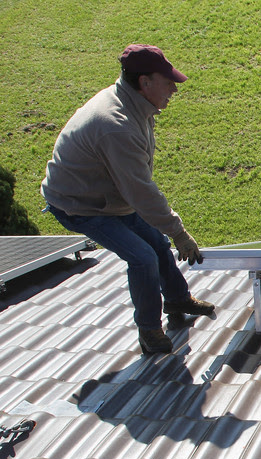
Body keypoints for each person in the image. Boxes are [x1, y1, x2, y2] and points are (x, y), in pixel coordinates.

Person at [40, 44, 214, 354]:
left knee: (157, 244)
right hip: (81, 205)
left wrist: (168, 233)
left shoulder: (135, 104)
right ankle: (149, 330)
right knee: (143, 256)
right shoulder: (116, 124)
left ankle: (176, 299)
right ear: (145, 82)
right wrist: (179, 232)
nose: (174, 88)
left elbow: (134, 188)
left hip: (110, 196)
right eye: (168, 81)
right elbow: (141, 191)